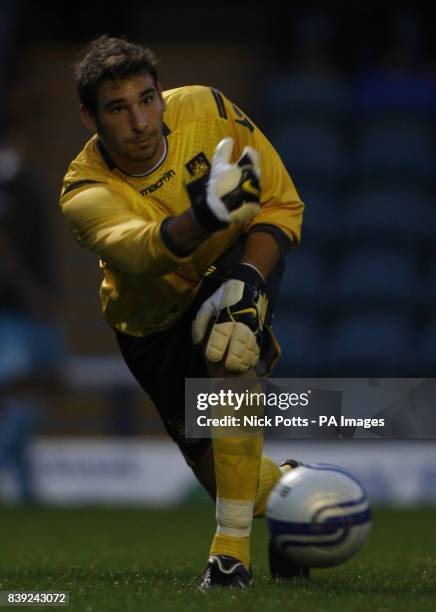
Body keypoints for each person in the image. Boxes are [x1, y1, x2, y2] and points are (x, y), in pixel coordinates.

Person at [60, 35, 304, 588]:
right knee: (235, 484)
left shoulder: (208, 108)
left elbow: (280, 205)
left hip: (231, 264)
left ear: (162, 96)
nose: (140, 122)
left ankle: (229, 561)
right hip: (152, 328)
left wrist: (247, 279)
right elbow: (143, 250)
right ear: (89, 116)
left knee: (231, 337)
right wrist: (208, 213)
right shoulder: (82, 191)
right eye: (118, 109)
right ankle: (303, 499)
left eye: (147, 100)